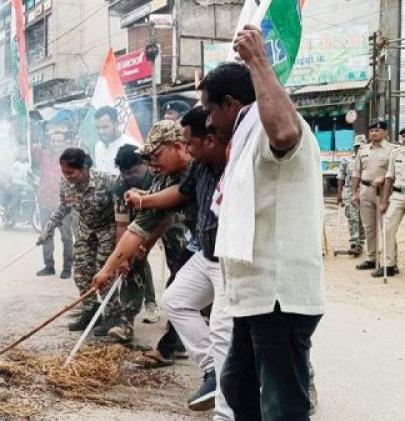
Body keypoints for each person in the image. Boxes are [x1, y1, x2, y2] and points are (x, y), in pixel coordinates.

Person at [205, 28, 324, 420]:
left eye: (210, 110)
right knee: (238, 387)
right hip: (254, 298)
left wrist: (258, 60)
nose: (208, 122)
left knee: (281, 406)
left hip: (278, 298)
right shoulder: (245, 135)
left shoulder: (273, 126)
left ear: (230, 103)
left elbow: (286, 133)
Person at [123, 107, 232, 418]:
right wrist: (144, 199)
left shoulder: (233, 164)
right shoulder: (199, 169)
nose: (188, 149)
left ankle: (228, 406)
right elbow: (175, 198)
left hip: (232, 257)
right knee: (176, 299)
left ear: (210, 140)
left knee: (228, 328)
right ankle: (213, 369)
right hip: (205, 252)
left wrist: (143, 202)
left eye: (190, 142)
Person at [91, 120, 200, 405]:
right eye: (148, 158)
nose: (152, 164)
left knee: (240, 318)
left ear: (178, 147)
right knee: (179, 296)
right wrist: (108, 269)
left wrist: (144, 201)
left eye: (155, 156)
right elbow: (138, 227)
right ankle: (178, 349)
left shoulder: (201, 167)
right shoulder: (164, 176)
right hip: (202, 244)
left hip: (227, 245)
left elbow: (166, 209)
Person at [36, 148, 118, 330]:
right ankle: (90, 312)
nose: (67, 177)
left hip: (108, 230)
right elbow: (63, 208)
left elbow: (123, 210)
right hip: (85, 230)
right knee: (81, 272)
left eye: (71, 172)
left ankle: (112, 316)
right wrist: (47, 230)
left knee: (104, 273)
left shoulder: (107, 181)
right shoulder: (65, 185)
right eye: (64, 172)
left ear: (84, 168)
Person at [97, 144, 160, 342]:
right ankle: (126, 323)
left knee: (180, 262)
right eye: (126, 173)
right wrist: (122, 257)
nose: (130, 177)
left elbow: (167, 219)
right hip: (139, 220)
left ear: (145, 164)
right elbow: (122, 225)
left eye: (134, 171)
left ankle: (178, 329)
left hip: (169, 219)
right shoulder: (120, 186)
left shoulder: (159, 175)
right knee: (131, 264)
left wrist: (146, 245)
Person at [352, 120, 397, 272]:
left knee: (386, 227)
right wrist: (354, 192)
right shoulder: (363, 150)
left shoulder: (393, 150)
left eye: (377, 130)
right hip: (365, 190)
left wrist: (383, 178)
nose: (374, 133)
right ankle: (371, 258)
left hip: (384, 192)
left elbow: (396, 173)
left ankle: (390, 262)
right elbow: (356, 173)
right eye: (371, 131)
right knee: (369, 227)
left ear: (385, 133)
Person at [34, 129, 74, 278]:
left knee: (66, 238)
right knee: (46, 234)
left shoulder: (70, 159)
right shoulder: (44, 155)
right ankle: (49, 266)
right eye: (53, 140)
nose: (56, 144)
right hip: (44, 201)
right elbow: (30, 149)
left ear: (64, 142)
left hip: (63, 204)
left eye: (59, 141)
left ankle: (67, 267)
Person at [378, 144, 405, 277]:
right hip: (398, 196)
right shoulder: (396, 153)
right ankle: (388, 265)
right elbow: (389, 178)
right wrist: (384, 201)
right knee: (387, 229)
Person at [336, 136, 365, 256]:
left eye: (362, 146)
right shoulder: (346, 160)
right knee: (352, 217)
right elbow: (340, 177)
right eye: (357, 146)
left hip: (364, 189)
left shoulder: (369, 159)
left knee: (363, 218)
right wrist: (339, 194)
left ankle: (360, 243)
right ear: (354, 146)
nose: (359, 148)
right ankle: (354, 243)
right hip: (348, 190)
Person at [93, 106, 139, 175]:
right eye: (98, 128)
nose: (101, 132)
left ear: (116, 124)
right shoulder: (98, 145)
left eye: (105, 127)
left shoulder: (131, 146)